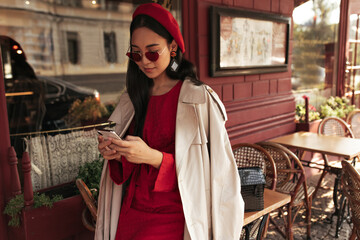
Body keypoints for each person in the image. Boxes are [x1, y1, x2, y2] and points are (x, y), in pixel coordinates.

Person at [95, 3, 244, 240]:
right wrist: (116, 152)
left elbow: (213, 173)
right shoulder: (132, 99)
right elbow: (127, 167)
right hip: (132, 212)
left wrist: (152, 157)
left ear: (172, 47)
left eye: (153, 52)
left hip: (177, 215)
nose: (144, 61)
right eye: (136, 53)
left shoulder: (198, 99)